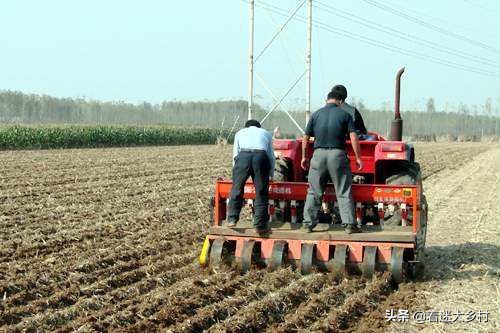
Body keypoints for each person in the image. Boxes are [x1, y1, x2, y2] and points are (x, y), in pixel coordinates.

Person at [301, 85, 363, 234]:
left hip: (318, 155)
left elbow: (305, 137)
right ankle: (348, 225)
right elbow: (354, 137)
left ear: (326, 100)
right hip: (337, 155)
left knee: (314, 191)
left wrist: (304, 156)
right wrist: (358, 157)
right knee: (343, 190)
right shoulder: (345, 115)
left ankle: (308, 224)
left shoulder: (315, 115)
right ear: (340, 101)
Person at [227, 119, 275, 234]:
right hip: (261, 157)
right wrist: (271, 173)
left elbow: (235, 153)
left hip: (243, 156)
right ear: (259, 127)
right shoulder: (266, 133)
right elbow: (271, 156)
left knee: (237, 188)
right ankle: (260, 225)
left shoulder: (239, 133)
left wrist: (236, 173)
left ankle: (232, 219)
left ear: (246, 127)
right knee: (261, 191)